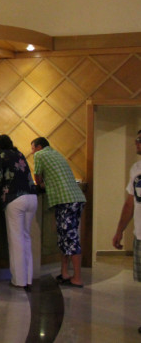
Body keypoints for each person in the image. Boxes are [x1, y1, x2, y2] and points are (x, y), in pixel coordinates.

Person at [31, 136, 87, 287]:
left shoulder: (40, 154)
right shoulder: (57, 154)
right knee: (65, 237)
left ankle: (77, 278)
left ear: (39, 147)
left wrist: (41, 184)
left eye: (33, 149)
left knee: (70, 239)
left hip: (65, 200)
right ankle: (65, 272)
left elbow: (37, 176)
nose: (32, 152)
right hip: (76, 199)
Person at [0, 134, 37, 288]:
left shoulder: (0, 154)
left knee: (16, 240)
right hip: (32, 197)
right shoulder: (19, 153)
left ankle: (19, 281)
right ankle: (28, 279)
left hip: (15, 198)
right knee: (26, 238)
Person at [111, 129, 141, 335]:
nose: (136, 143)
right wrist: (119, 230)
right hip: (140, 234)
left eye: (139, 140)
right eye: (136, 139)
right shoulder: (136, 169)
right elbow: (130, 203)